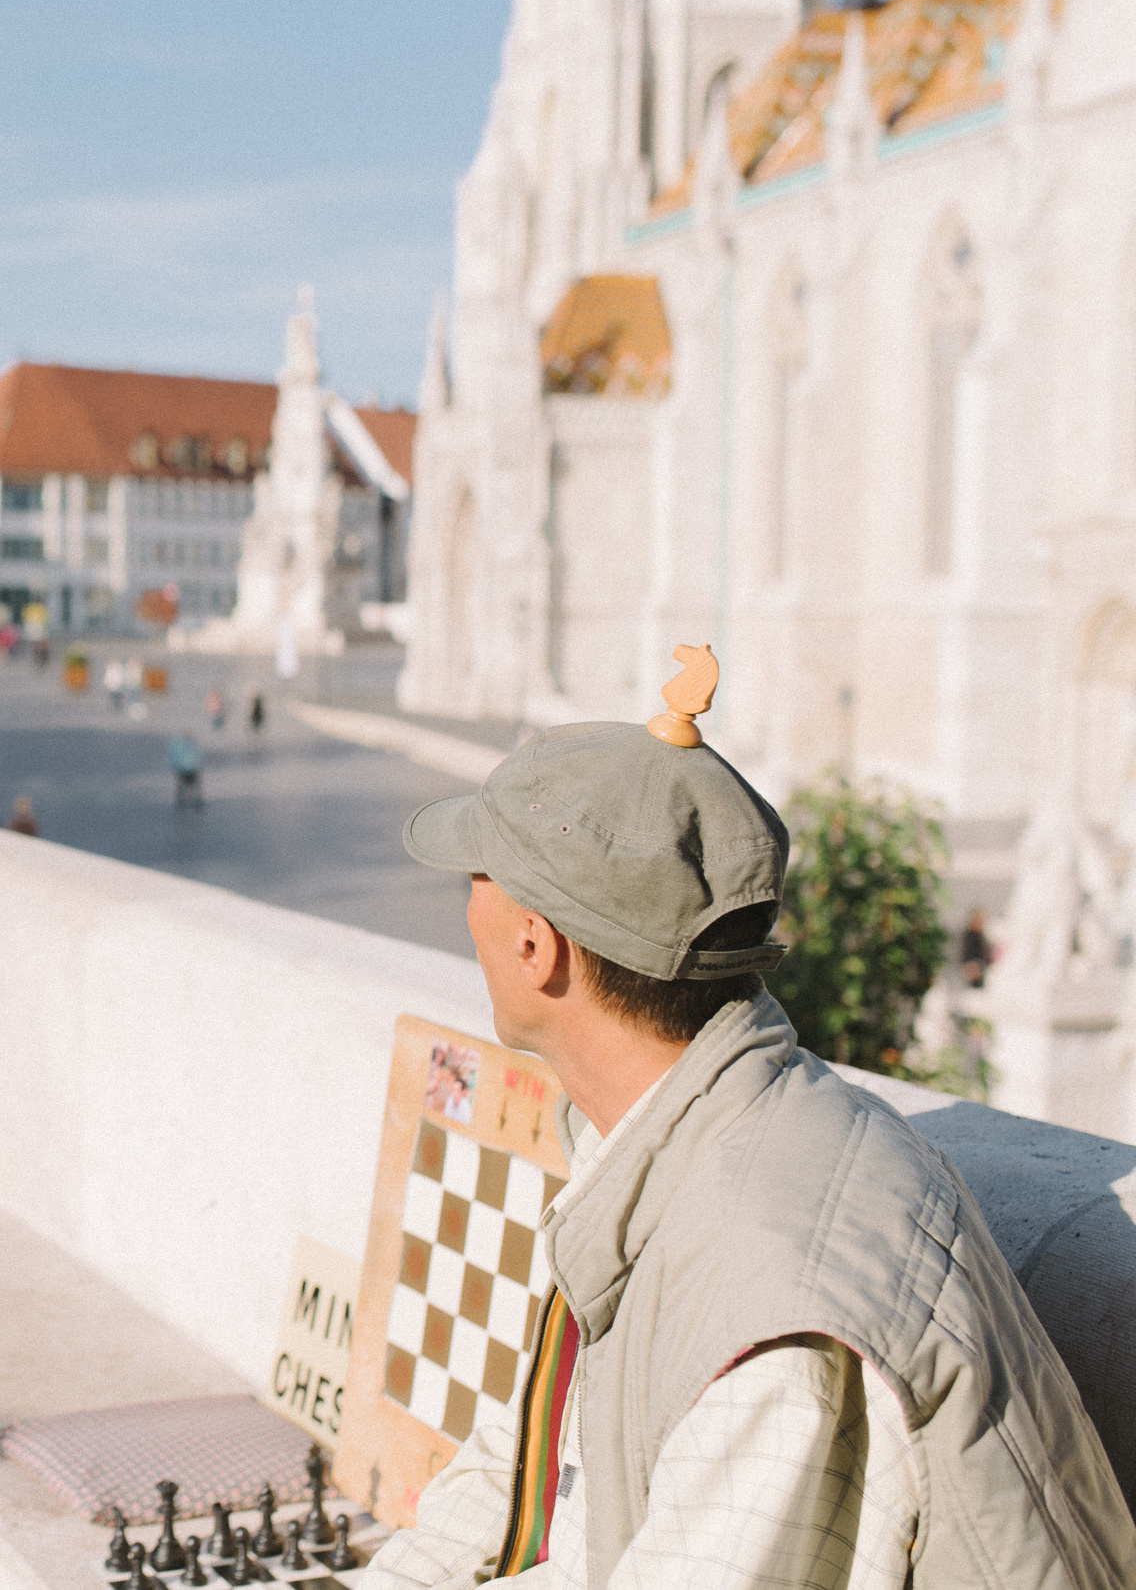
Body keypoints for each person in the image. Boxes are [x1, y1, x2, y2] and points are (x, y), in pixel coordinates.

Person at [360, 650, 1133, 1589]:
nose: (464, 904)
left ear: (536, 946)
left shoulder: (771, 1288)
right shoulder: (662, 1143)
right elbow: (540, 1472)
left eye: (477, 877)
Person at [168, 731, 203, 810]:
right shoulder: (194, 746)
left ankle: (182, 801)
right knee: (193, 786)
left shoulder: (180, 746)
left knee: (183, 786)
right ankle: (195, 801)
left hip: (185, 769)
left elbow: (173, 756)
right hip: (190, 769)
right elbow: (199, 756)